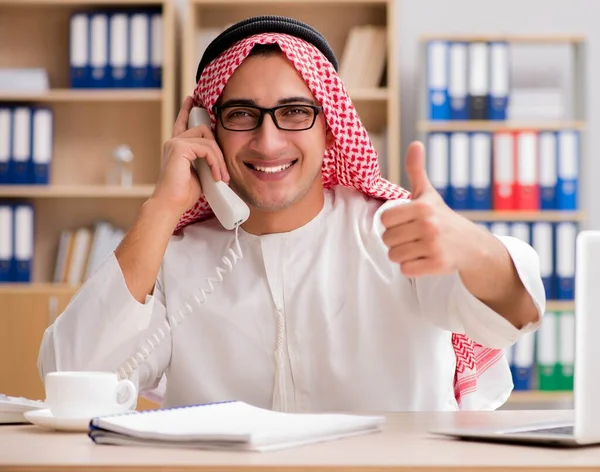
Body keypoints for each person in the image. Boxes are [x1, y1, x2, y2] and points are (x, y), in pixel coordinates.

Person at [38, 16, 545, 412]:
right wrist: (162, 207)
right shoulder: (174, 260)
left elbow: (517, 314)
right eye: (240, 115)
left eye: (296, 111)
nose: (268, 139)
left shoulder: (392, 231)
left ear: (331, 126)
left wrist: (471, 245)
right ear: (206, 130)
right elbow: (72, 375)